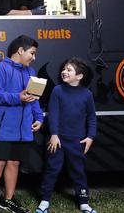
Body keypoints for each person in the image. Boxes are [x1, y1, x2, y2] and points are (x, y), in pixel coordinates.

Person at [0, 35, 43, 213]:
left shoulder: (31, 72)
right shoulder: (0, 68)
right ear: (20, 50)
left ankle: (8, 200)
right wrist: (18, 97)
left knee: (14, 162)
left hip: (23, 129)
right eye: (32, 53)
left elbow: (35, 99)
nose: (33, 57)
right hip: (4, 126)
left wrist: (39, 118)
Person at [35, 57, 97, 213]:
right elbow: (53, 114)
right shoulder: (58, 91)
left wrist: (90, 136)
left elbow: (91, 117)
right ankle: (44, 201)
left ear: (80, 76)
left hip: (77, 141)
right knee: (51, 169)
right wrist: (54, 135)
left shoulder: (87, 94)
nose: (64, 72)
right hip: (57, 140)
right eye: (64, 69)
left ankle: (84, 202)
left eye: (69, 70)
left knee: (78, 171)